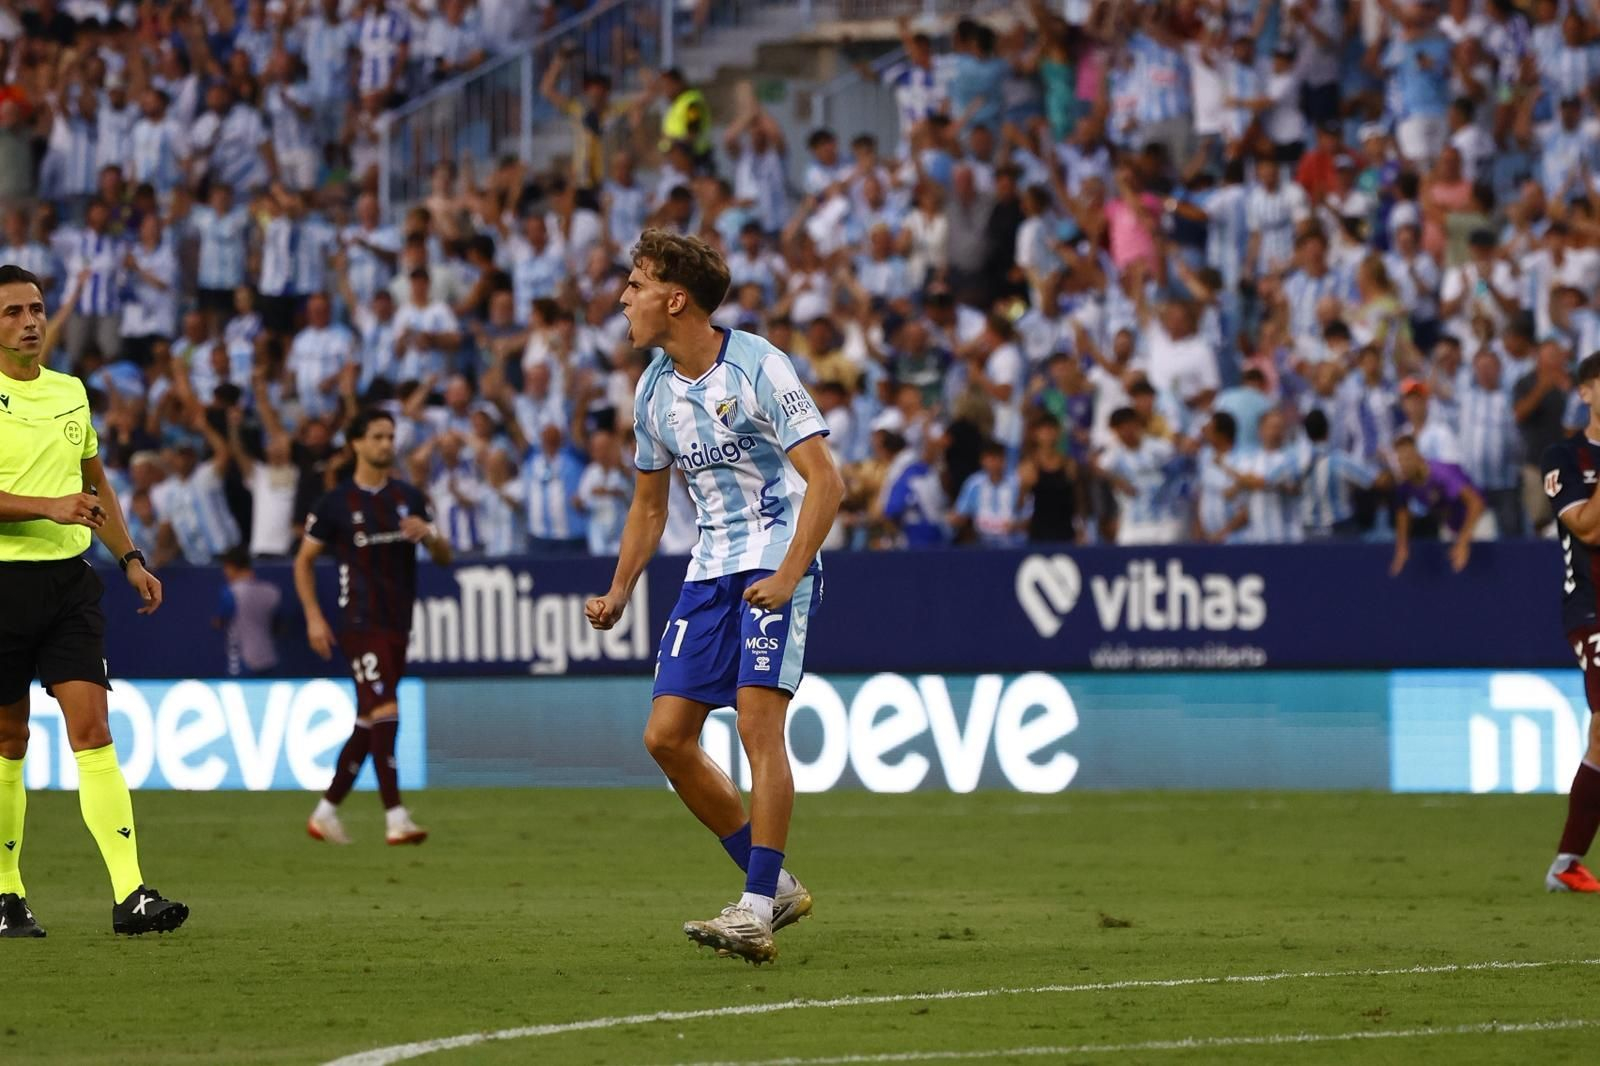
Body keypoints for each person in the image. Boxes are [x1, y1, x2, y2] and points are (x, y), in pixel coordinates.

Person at [585, 230, 844, 965]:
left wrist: (791, 573)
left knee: (758, 726)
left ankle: (755, 910)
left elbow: (826, 482)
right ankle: (778, 887)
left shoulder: (759, 364)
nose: (623, 299)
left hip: (774, 561)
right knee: (665, 737)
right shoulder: (653, 390)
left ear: (676, 298)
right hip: (709, 572)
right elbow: (648, 508)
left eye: (634, 284)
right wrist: (619, 588)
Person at [0, 264, 187, 937]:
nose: (28, 321)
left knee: (93, 730)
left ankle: (131, 894)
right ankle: (7, 893)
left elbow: (96, 486)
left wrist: (131, 558)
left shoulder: (70, 392)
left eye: (36, 309)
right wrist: (47, 506)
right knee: (9, 739)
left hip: (68, 584)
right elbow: (59, 498)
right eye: (13, 311)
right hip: (3, 583)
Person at [295, 409, 452, 847]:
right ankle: (396, 817)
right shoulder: (335, 503)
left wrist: (431, 535)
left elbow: (445, 557)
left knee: (369, 718)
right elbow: (303, 561)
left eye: (390, 436)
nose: (386, 444)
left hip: (398, 620)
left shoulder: (408, 497)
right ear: (357, 444)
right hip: (359, 622)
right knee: (385, 710)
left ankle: (325, 813)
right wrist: (313, 615)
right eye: (377, 436)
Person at [1539, 351, 1600, 893]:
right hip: (1593, 610)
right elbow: (1586, 528)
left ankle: (1567, 863)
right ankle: (1565, 863)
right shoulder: (1566, 455)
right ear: (1585, 392)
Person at [1389, 434, 1486, 576]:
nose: (1404, 464)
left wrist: (1463, 542)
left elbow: (1476, 503)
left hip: (1477, 522)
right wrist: (1402, 547)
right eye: (1400, 460)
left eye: (1408, 458)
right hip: (1451, 526)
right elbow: (1402, 510)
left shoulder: (1442, 473)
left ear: (1419, 456)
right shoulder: (1405, 483)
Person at [214, 545, 282, 675]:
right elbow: (279, 626)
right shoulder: (272, 591)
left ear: (231, 567)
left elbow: (220, 620)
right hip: (269, 659)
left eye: (225, 567)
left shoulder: (230, 593)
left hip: (243, 663)